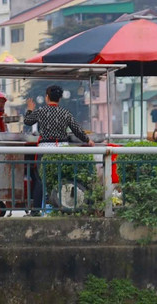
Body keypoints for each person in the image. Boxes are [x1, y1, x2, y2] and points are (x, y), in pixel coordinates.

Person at [23, 84, 91, 213]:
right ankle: (61, 208)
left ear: (47, 97)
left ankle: (36, 211)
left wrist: (30, 109)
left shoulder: (41, 111)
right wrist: (88, 140)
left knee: (40, 180)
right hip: (62, 150)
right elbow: (77, 130)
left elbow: (27, 121)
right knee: (61, 178)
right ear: (60, 99)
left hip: (44, 149)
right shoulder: (65, 113)